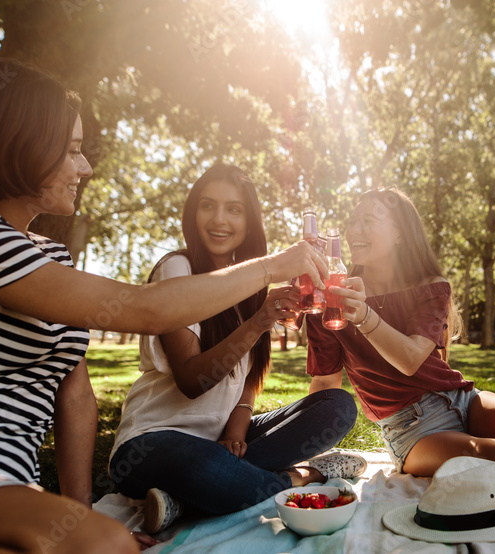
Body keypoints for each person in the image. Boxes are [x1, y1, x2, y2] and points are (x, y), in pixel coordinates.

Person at [0, 58, 329, 554]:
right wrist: (272, 266)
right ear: (22, 144)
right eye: (72, 150)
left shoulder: (50, 256)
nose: (86, 166)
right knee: (102, 547)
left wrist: (76, 515)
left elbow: (75, 396)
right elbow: (148, 309)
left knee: (96, 542)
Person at [108, 165, 364, 533]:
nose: (219, 219)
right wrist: (259, 321)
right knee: (208, 469)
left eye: (234, 209)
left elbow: (247, 380)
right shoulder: (177, 268)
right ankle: (305, 476)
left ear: (249, 221)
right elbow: (192, 380)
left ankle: (185, 500)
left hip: (218, 440)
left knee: (337, 407)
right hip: (151, 443)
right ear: (192, 213)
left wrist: (238, 431)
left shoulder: (250, 282)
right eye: (208, 206)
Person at [307, 188, 495, 494]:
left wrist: (365, 315)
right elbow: (326, 385)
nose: (355, 230)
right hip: (411, 430)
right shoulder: (332, 299)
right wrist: (305, 452)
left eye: (368, 220)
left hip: (463, 400)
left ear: (399, 233)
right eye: (353, 221)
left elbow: (411, 357)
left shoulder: (431, 287)